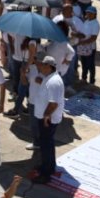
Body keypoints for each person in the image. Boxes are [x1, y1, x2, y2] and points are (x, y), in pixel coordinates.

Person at [31, 55, 65, 184]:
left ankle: (46, 174)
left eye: (42, 65)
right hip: (45, 118)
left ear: (49, 66)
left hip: (48, 120)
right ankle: (48, 166)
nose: (39, 66)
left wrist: (46, 116)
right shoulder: (49, 78)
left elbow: (54, 104)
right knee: (47, 145)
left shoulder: (54, 82)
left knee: (46, 146)